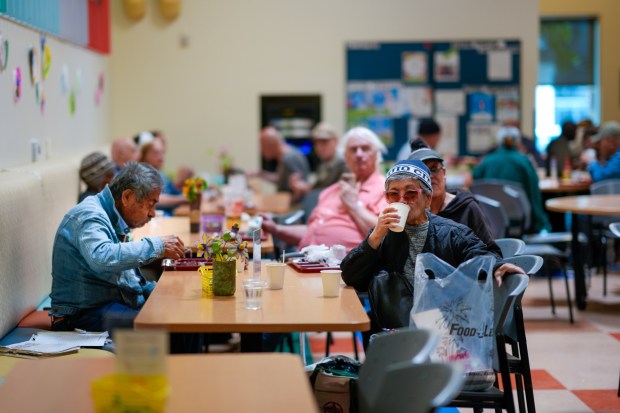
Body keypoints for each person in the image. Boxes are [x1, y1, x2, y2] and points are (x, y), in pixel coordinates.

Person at [340, 159, 524, 336]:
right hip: (396, 326)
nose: (402, 201)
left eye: (410, 194)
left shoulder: (452, 232)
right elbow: (352, 277)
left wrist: (497, 266)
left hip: (445, 326)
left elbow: (480, 254)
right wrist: (375, 237)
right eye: (393, 194)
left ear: (428, 199)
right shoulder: (382, 235)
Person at [50, 162, 187, 335]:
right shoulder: (89, 215)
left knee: (184, 315)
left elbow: (130, 278)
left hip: (110, 304)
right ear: (127, 197)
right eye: (150, 204)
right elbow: (103, 258)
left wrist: (162, 294)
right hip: (82, 315)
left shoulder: (115, 217)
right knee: (174, 328)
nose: (153, 213)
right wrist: (158, 245)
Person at [261, 126, 388, 252]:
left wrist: (353, 206)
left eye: (365, 148)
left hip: (344, 268)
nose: (359, 154)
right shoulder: (331, 191)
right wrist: (276, 229)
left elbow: (387, 236)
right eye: (353, 150)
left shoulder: (386, 190)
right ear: (345, 156)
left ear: (376, 154)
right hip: (306, 261)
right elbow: (312, 231)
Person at [408, 148, 500, 255]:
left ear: (444, 173)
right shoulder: (410, 214)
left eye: (434, 169)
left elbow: (491, 252)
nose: (430, 176)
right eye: (422, 172)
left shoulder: (466, 208)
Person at [473, 126, 550, 233]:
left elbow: (475, 182)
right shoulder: (524, 161)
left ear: (499, 141)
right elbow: (534, 194)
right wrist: (541, 221)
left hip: (491, 220)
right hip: (521, 218)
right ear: (517, 141)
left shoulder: (486, 161)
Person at [288, 122, 348, 201]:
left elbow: (332, 195)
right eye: (316, 143)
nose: (319, 148)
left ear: (335, 141)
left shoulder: (345, 164)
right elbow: (318, 188)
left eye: (324, 142)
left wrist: (306, 189)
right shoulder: (323, 164)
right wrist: (301, 188)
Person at [259, 126, 311, 201]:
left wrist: (287, 204)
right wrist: (260, 174)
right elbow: (281, 179)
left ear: (271, 144)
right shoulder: (284, 157)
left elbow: (300, 188)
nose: (262, 151)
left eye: (263, 146)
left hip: (294, 207)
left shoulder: (290, 158)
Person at [139, 138, 188, 216]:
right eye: (156, 152)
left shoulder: (160, 173)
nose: (160, 156)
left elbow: (171, 191)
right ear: (145, 154)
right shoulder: (142, 173)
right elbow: (154, 199)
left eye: (163, 152)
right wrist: (182, 199)